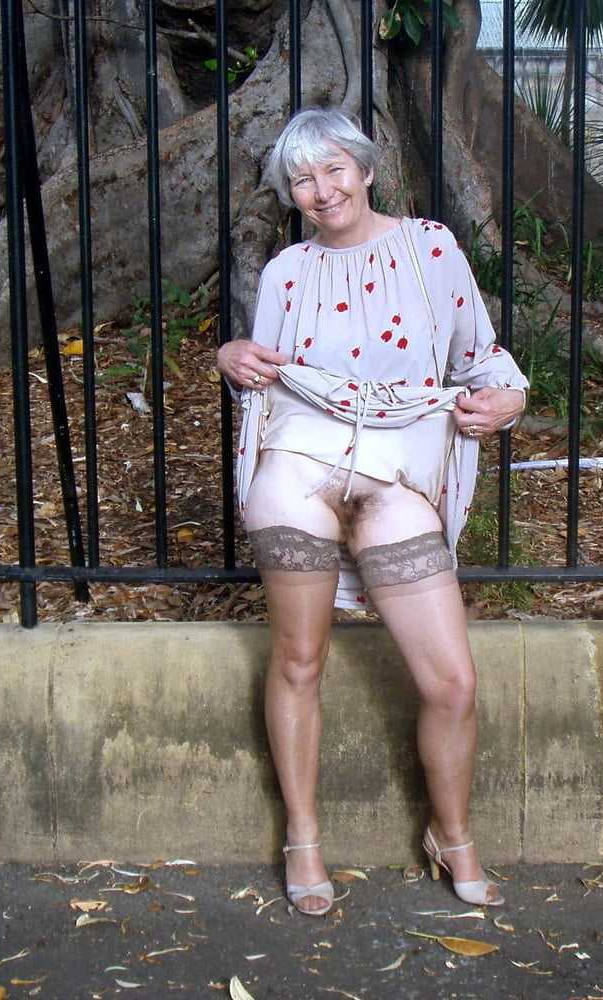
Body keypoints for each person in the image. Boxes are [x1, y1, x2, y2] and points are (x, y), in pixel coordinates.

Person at [217, 107, 528, 916]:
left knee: (452, 682)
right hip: (299, 469)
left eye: (333, 170)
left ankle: (451, 835)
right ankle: (303, 837)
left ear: (365, 169)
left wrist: (508, 399)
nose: (321, 191)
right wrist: (228, 354)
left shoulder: (430, 248)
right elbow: (260, 374)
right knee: (299, 660)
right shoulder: (286, 270)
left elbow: (481, 357)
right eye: (301, 180)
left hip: (396, 477)